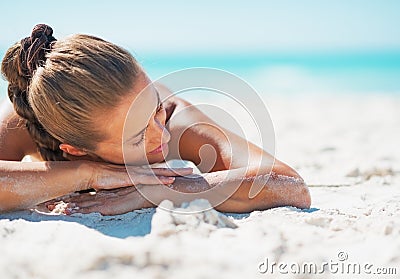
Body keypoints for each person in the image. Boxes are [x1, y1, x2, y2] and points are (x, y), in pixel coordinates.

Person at [0, 24, 311, 215]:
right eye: (136, 137)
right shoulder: (29, 120)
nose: (161, 135)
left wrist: (156, 191)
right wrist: (87, 174)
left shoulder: (176, 118)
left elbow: (290, 186)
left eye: (155, 107)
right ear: (75, 148)